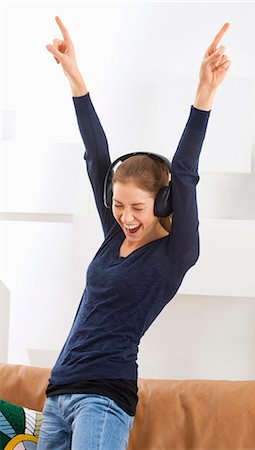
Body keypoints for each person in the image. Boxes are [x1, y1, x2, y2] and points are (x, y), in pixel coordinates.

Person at [37, 16, 231, 450]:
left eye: (138, 207)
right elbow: (96, 157)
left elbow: (184, 173)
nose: (125, 216)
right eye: (118, 205)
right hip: (59, 393)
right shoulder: (113, 237)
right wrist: (74, 76)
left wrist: (205, 94)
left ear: (161, 204)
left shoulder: (175, 253)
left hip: (102, 398)